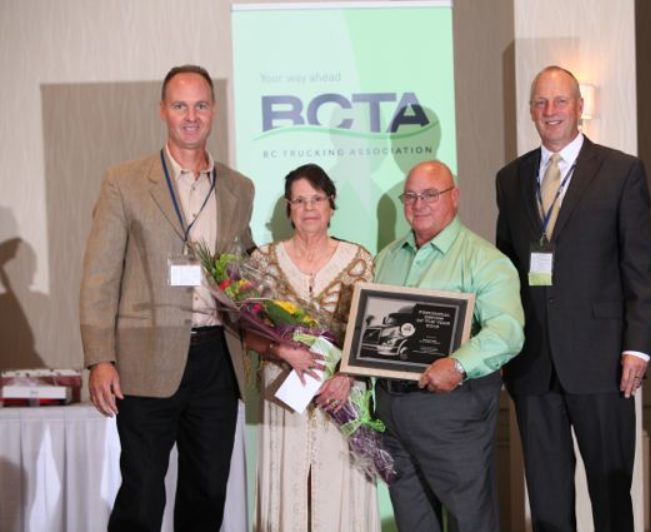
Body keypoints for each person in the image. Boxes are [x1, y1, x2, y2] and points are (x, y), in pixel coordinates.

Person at [80, 65, 255, 532]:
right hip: (144, 360)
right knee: (141, 492)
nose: (191, 116)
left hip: (218, 358)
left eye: (200, 105)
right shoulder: (125, 181)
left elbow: (244, 268)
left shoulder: (238, 187)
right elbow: (100, 274)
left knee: (208, 492)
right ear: (163, 111)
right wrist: (100, 357)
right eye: (180, 106)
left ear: (213, 111)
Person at [495, 65, 651, 532]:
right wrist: (503, 343)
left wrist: (638, 346)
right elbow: (505, 272)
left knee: (610, 499)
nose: (550, 112)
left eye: (560, 101)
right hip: (532, 364)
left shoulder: (621, 171)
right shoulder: (510, 178)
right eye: (540, 103)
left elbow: (641, 267)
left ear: (579, 107)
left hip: (603, 362)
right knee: (547, 505)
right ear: (530, 110)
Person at [373, 160, 525, 532]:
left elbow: (508, 331)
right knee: (413, 522)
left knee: (469, 519)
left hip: (452, 411)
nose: (418, 204)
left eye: (430, 194)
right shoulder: (387, 257)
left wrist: (457, 364)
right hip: (393, 410)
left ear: (454, 197)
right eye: (410, 196)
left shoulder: (485, 261)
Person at [244, 163, 379, 532]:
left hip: (341, 394)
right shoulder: (263, 262)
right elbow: (248, 334)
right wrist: (283, 352)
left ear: (331, 204)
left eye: (316, 198)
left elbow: (373, 334)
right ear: (288, 208)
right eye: (299, 200)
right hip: (284, 392)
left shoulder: (360, 261)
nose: (309, 208)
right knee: (288, 483)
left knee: (338, 485)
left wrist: (347, 376)